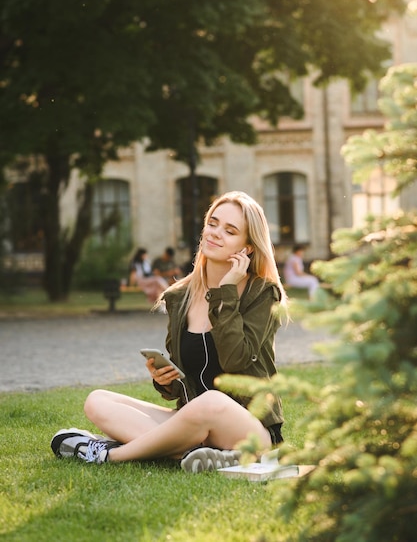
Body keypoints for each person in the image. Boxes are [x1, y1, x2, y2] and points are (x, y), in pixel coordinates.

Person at [51, 191, 288, 472]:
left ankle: (110, 454)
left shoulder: (261, 293)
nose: (215, 233)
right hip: (192, 420)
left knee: (213, 401)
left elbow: (236, 361)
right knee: (97, 401)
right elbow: (185, 382)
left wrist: (226, 292)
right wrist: (166, 381)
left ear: (247, 248)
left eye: (230, 230)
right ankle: (200, 453)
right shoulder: (180, 296)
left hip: (248, 425)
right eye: (213, 223)